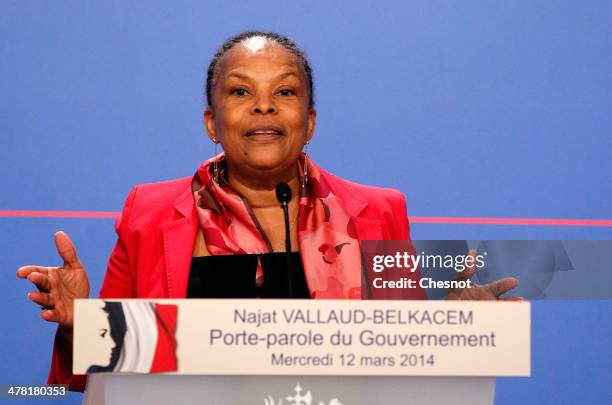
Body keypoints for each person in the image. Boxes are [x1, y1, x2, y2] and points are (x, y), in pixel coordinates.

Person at [17, 31, 521, 391]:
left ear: (310, 121)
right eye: (241, 92)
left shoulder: (377, 213)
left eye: (285, 91)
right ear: (213, 122)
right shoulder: (148, 213)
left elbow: (403, 372)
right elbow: (101, 380)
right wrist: (78, 327)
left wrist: (458, 332)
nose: (264, 106)